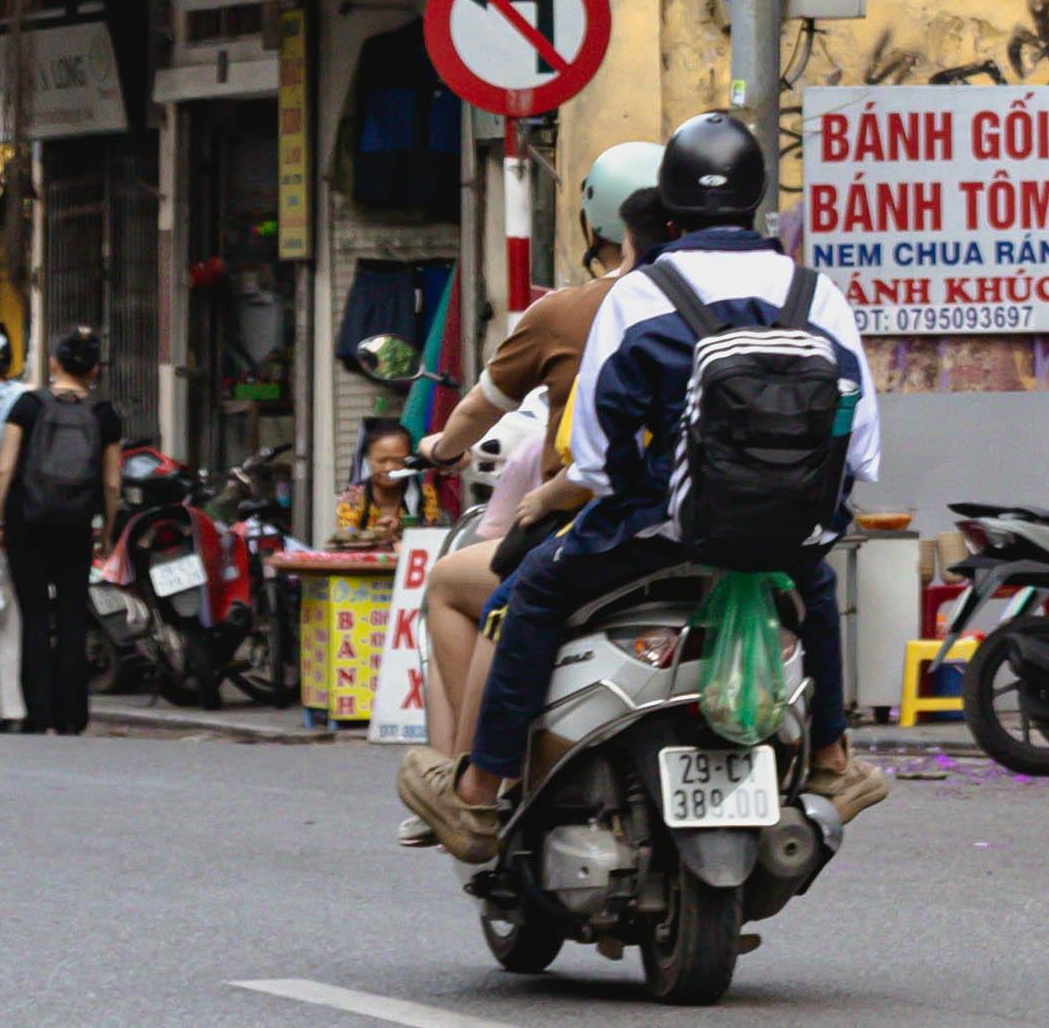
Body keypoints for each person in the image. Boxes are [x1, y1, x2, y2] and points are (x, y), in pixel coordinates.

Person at [408, 113, 890, 857]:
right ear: (756, 199)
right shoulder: (812, 292)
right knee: (815, 590)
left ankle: (477, 794)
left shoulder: (643, 293)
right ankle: (831, 760)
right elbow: (860, 443)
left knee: (532, 596)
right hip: (786, 532)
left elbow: (596, 456)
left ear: (665, 207)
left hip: (653, 533)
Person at [380, 138, 661, 782]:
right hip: (709, 519)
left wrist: (442, 449)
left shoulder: (572, 310)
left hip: (600, 521)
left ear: (599, 223)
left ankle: (464, 775)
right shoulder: (729, 303)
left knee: (460, 587)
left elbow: (485, 408)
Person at [0, 326, 114, 733]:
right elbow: (113, 482)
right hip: (77, 524)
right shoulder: (104, 414)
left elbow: (6, 466)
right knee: (73, 613)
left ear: (54, 363)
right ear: (94, 370)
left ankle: (36, 712)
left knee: (34, 616)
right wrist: (108, 528)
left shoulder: (27, 405)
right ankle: (72, 716)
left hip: (27, 520)